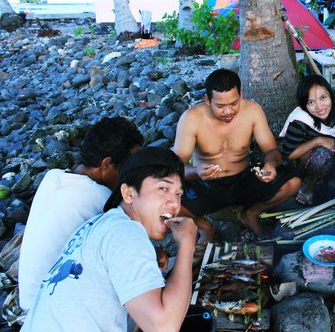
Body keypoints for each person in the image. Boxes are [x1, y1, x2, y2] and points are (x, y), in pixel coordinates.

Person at [21, 147, 198, 331]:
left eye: (178, 194)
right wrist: (187, 244)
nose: (175, 203)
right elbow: (163, 327)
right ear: (129, 193)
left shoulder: (99, 225)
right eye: (163, 188)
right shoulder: (126, 232)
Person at [18, 117, 143, 312]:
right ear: (107, 164)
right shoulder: (101, 200)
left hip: (28, 300)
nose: (132, 174)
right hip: (52, 309)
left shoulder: (54, 177)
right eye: (128, 166)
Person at [173, 69, 301, 238]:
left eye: (234, 103)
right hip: (206, 183)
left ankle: (250, 214)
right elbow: (176, 165)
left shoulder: (253, 110)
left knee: (293, 182)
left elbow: (271, 150)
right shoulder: (191, 118)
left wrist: (270, 164)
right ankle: (205, 227)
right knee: (164, 203)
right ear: (207, 100)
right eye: (220, 106)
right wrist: (196, 172)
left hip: (243, 178)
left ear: (241, 94)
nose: (228, 112)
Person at [280, 74, 335, 204]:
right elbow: (287, 155)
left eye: (323, 98)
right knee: (323, 154)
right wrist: (318, 141)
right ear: (304, 105)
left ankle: (329, 181)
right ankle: (307, 183)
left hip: (332, 164)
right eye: (311, 102)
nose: (319, 106)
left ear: (331, 96)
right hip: (303, 164)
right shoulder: (300, 119)